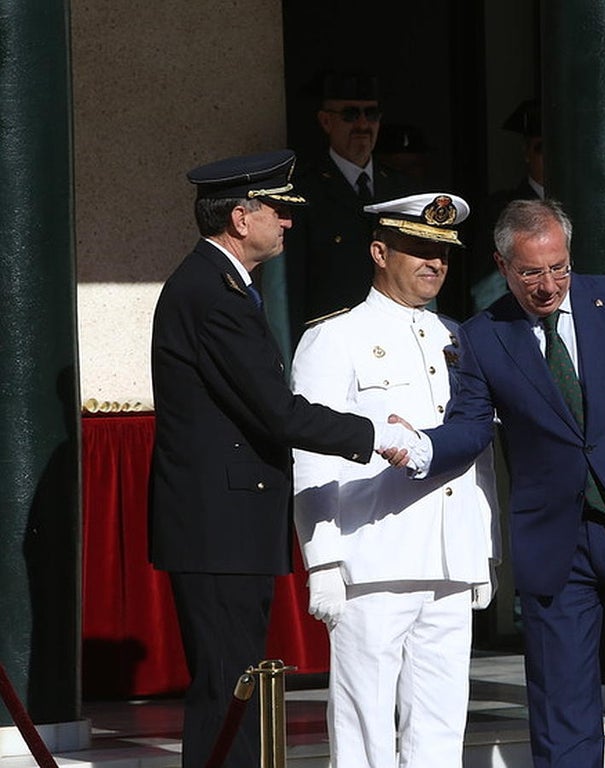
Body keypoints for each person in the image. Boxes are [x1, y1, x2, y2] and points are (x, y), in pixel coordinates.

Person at [387, 199, 605, 767]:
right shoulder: (483, 336)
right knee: (560, 699)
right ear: (502, 265)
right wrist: (422, 445)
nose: (548, 285)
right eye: (531, 273)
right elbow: (471, 425)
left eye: (559, 268)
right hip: (555, 538)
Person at [149, 150, 407, 768]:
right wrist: (373, 434)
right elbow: (278, 412)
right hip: (218, 526)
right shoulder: (213, 294)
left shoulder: (222, 285)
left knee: (233, 682)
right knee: (228, 687)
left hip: (226, 523)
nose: (288, 222)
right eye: (277, 210)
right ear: (241, 219)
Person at [291, 192, 501, 768]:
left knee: (441, 717)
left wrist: (484, 548)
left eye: (443, 253)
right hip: (373, 554)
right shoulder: (335, 336)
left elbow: (476, 451)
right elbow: (312, 453)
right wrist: (323, 560)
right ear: (380, 252)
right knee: (364, 721)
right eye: (418, 249)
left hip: (450, 554)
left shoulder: (457, 337)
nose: (434, 263)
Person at [286, 73, 414, 330]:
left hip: (394, 331)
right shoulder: (302, 191)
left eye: (371, 114)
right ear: (326, 121)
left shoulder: (402, 188)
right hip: (331, 336)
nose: (363, 124)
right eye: (350, 115)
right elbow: (287, 287)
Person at [470, 98, 546, 313]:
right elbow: (488, 292)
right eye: (541, 149)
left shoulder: (584, 205)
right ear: (527, 153)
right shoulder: (499, 211)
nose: (551, 157)